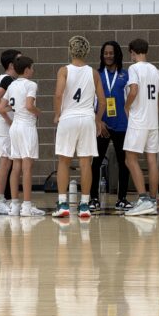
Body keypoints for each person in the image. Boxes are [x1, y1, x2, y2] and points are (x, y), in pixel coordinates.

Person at [52, 36, 106, 219]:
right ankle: (84, 204)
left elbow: (59, 95)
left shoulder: (64, 70)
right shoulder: (94, 73)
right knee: (86, 163)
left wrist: (57, 114)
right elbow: (103, 101)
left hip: (68, 118)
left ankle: (62, 203)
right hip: (87, 119)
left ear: (70, 50)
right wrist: (98, 120)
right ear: (87, 52)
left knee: (64, 161)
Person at [123, 38, 159, 216]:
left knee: (130, 159)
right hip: (152, 122)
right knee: (151, 160)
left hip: (138, 121)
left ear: (132, 52)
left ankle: (143, 199)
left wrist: (126, 106)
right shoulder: (155, 69)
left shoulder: (134, 68)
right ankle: (153, 199)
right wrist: (154, 112)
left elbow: (133, 90)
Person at [0, 56, 45, 217]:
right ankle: (27, 206)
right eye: (32, 68)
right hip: (26, 127)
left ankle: (15, 206)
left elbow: (1, 107)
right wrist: (38, 112)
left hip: (15, 127)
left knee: (16, 166)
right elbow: (29, 106)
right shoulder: (31, 84)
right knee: (27, 168)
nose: (33, 70)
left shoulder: (11, 85)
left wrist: (15, 107)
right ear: (26, 70)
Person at [89, 41, 132, 211]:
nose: (108, 56)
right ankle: (93, 198)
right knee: (96, 162)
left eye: (111, 53)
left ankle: (122, 198)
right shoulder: (96, 75)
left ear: (117, 54)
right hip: (102, 125)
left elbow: (131, 99)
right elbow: (90, 101)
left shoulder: (126, 75)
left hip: (121, 125)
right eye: (105, 53)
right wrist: (98, 121)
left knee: (124, 162)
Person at [0, 49, 21, 215]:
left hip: (3, 126)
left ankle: (3, 199)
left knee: (7, 163)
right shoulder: (7, 79)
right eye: (19, 60)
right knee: (5, 163)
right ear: (11, 64)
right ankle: (0, 200)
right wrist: (8, 120)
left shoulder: (4, 79)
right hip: (4, 127)